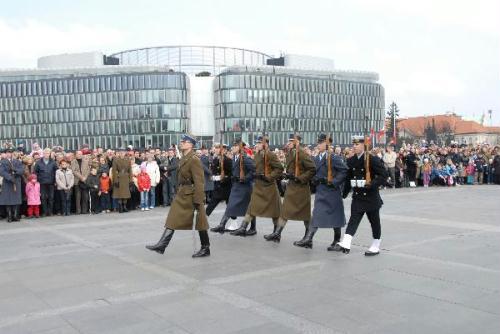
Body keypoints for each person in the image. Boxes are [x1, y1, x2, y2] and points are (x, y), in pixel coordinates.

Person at [145, 134, 211, 258]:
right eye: (181, 141)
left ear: (190, 144)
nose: (181, 143)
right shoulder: (185, 157)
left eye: (184, 141)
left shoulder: (194, 159)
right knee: (173, 216)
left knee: (200, 220)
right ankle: (162, 245)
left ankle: (205, 247)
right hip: (183, 192)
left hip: (192, 193)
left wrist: (198, 199)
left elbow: (199, 181)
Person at [294, 134, 348, 249]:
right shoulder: (317, 158)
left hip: (332, 191)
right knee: (317, 214)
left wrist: (333, 181)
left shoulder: (333, 157)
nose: (318, 145)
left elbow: (344, 171)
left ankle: (337, 240)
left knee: (335, 217)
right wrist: (313, 180)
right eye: (318, 143)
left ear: (327, 144)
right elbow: (313, 172)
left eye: (320, 143)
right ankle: (309, 239)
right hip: (321, 190)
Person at [337, 135, 388, 256]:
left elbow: (384, 175)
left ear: (364, 146)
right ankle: (346, 242)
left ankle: (376, 244)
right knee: (353, 219)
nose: (354, 147)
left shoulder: (372, 159)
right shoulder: (351, 160)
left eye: (357, 144)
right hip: (358, 195)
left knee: (374, 222)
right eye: (353, 144)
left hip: (371, 196)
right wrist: (343, 194)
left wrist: (372, 184)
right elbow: (349, 178)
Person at [264, 134, 315, 243]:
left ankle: (308, 238)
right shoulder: (291, 152)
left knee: (305, 214)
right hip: (292, 187)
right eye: (289, 141)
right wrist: (287, 175)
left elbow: (312, 169)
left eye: (292, 141)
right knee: (285, 211)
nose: (289, 143)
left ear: (298, 142)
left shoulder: (302, 153)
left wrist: (299, 178)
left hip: (301, 188)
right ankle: (277, 233)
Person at [231, 135, 284, 237]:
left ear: (266, 144)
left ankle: (276, 233)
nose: (257, 145)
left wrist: (268, 176)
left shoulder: (271, 155)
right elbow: (255, 167)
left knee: (275, 212)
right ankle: (243, 228)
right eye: (257, 143)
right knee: (251, 207)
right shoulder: (257, 154)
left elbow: (279, 169)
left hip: (269, 186)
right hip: (258, 185)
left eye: (259, 143)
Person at [210, 139, 255, 234]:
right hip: (236, 186)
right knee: (230, 206)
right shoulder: (234, 157)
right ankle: (222, 225)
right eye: (233, 146)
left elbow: (253, 171)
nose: (233, 148)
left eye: (235, 146)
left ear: (240, 148)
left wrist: (245, 178)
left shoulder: (245, 158)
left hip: (244, 186)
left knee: (249, 208)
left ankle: (252, 228)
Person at [205, 144, 232, 217]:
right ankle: (203, 220)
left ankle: (234, 223)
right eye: (216, 148)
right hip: (218, 187)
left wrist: (222, 178)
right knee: (211, 204)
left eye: (218, 148)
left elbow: (231, 174)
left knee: (230, 206)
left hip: (226, 187)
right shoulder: (215, 159)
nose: (216, 150)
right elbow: (214, 172)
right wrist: (213, 177)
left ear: (224, 150)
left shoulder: (228, 160)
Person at [0, 148, 24, 222]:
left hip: (16, 182)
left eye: (10, 153)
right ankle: (9, 216)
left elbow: (21, 170)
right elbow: (2, 172)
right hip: (7, 182)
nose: (8, 154)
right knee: (8, 200)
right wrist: (10, 178)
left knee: (16, 199)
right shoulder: (3, 162)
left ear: (12, 153)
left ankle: (15, 216)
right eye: (7, 153)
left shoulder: (17, 161)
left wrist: (15, 171)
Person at [34, 148, 58, 216]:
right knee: (43, 198)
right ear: (43, 154)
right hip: (42, 182)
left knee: (51, 197)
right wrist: (37, 181)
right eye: (45, 153)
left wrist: (55, 181)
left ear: (50, 154)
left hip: (51, 182)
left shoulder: (53, 162)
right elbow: (35, 172)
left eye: (48, 153)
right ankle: (44, 212)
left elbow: (56, 172)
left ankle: (50, 212)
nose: (46, 154)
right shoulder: (38, 162)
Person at [112, 148, 132, 213]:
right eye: (120, 153)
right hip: (119, 178)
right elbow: (114, 171)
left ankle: (124, 206)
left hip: (126, 178)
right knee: (119, 193)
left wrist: (131, 180)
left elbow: (130, 171)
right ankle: (120, 206)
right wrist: (115, 180)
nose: (121, 154)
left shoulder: (128, 160)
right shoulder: (115, 160)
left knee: (125, 193)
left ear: (125, 153)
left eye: (123, 153)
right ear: (118, 153)